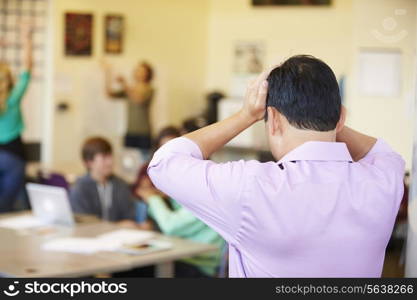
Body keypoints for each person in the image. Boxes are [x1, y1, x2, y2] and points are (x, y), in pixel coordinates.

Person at [148, 55, 405, 277]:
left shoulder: (250, 187)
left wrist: (246, 114)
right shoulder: (384, 181)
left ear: (273, 121)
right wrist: (327, 116)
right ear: (341, 118)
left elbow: (164, 162)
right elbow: (382, 152)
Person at [134, 126, 225, 277]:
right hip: (185, 256)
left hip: (199, 264)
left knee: (139, 271)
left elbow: (171, 225)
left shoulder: (205, 189)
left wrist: (152, 197)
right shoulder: (195, 181)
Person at [69, 137, 147, 227]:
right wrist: (117, 226)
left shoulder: (121, 185)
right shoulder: (79, 188)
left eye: (110, 156)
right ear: (89, 162)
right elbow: (84, 223)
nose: (110, 162)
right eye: (104, 158)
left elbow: (129, 218)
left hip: (120, 238)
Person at [0, 24, 33, 213]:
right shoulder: (13, 99)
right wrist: (26, 39)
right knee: (8, 209)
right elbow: (27, 69)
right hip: (14, 155)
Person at [104, 61, 154, 159]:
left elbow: (138, 99)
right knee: (128, 163)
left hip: (144, 133)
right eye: (138, 70)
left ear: (148, 74)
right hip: (130, 132)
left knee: (144, 162)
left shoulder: (149, 89)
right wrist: (107, 73)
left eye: (142, 71)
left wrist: (124, 83)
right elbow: (109, 94)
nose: (139, 73)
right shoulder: (130, 89)